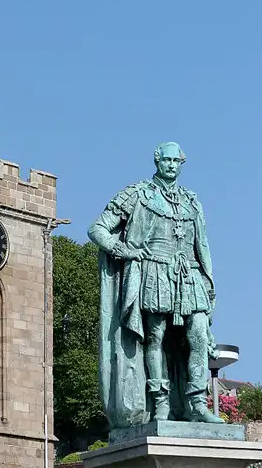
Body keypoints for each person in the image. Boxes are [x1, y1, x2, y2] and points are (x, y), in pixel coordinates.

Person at [88, 142, 223, 429]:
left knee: (198, 335)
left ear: (182, 163)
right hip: (155, 271)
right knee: (156, 337)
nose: (172, 165)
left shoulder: (192, 201)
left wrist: (209, 288)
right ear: (157, 160)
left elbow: (203, 248)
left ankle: (197, 403)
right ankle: (161, 401)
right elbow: (97, 228)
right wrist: (124, 250)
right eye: (167, 160)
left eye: (177, 161)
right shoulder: (137, 195)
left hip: (190, 276)